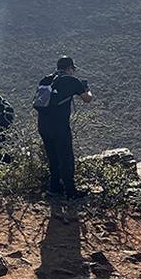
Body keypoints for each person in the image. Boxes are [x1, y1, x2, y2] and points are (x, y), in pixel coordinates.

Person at [36, 56, 93, 199]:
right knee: (66, 158)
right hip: (59, 127)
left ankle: (54, 188)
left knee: (52, 157)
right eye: (73, 69)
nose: (73, 72)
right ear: (69, 68)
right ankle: (71, 192)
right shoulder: (71, 81)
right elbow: (87, 99)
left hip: (43, 126)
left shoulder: (45, 80)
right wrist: (86, 87)